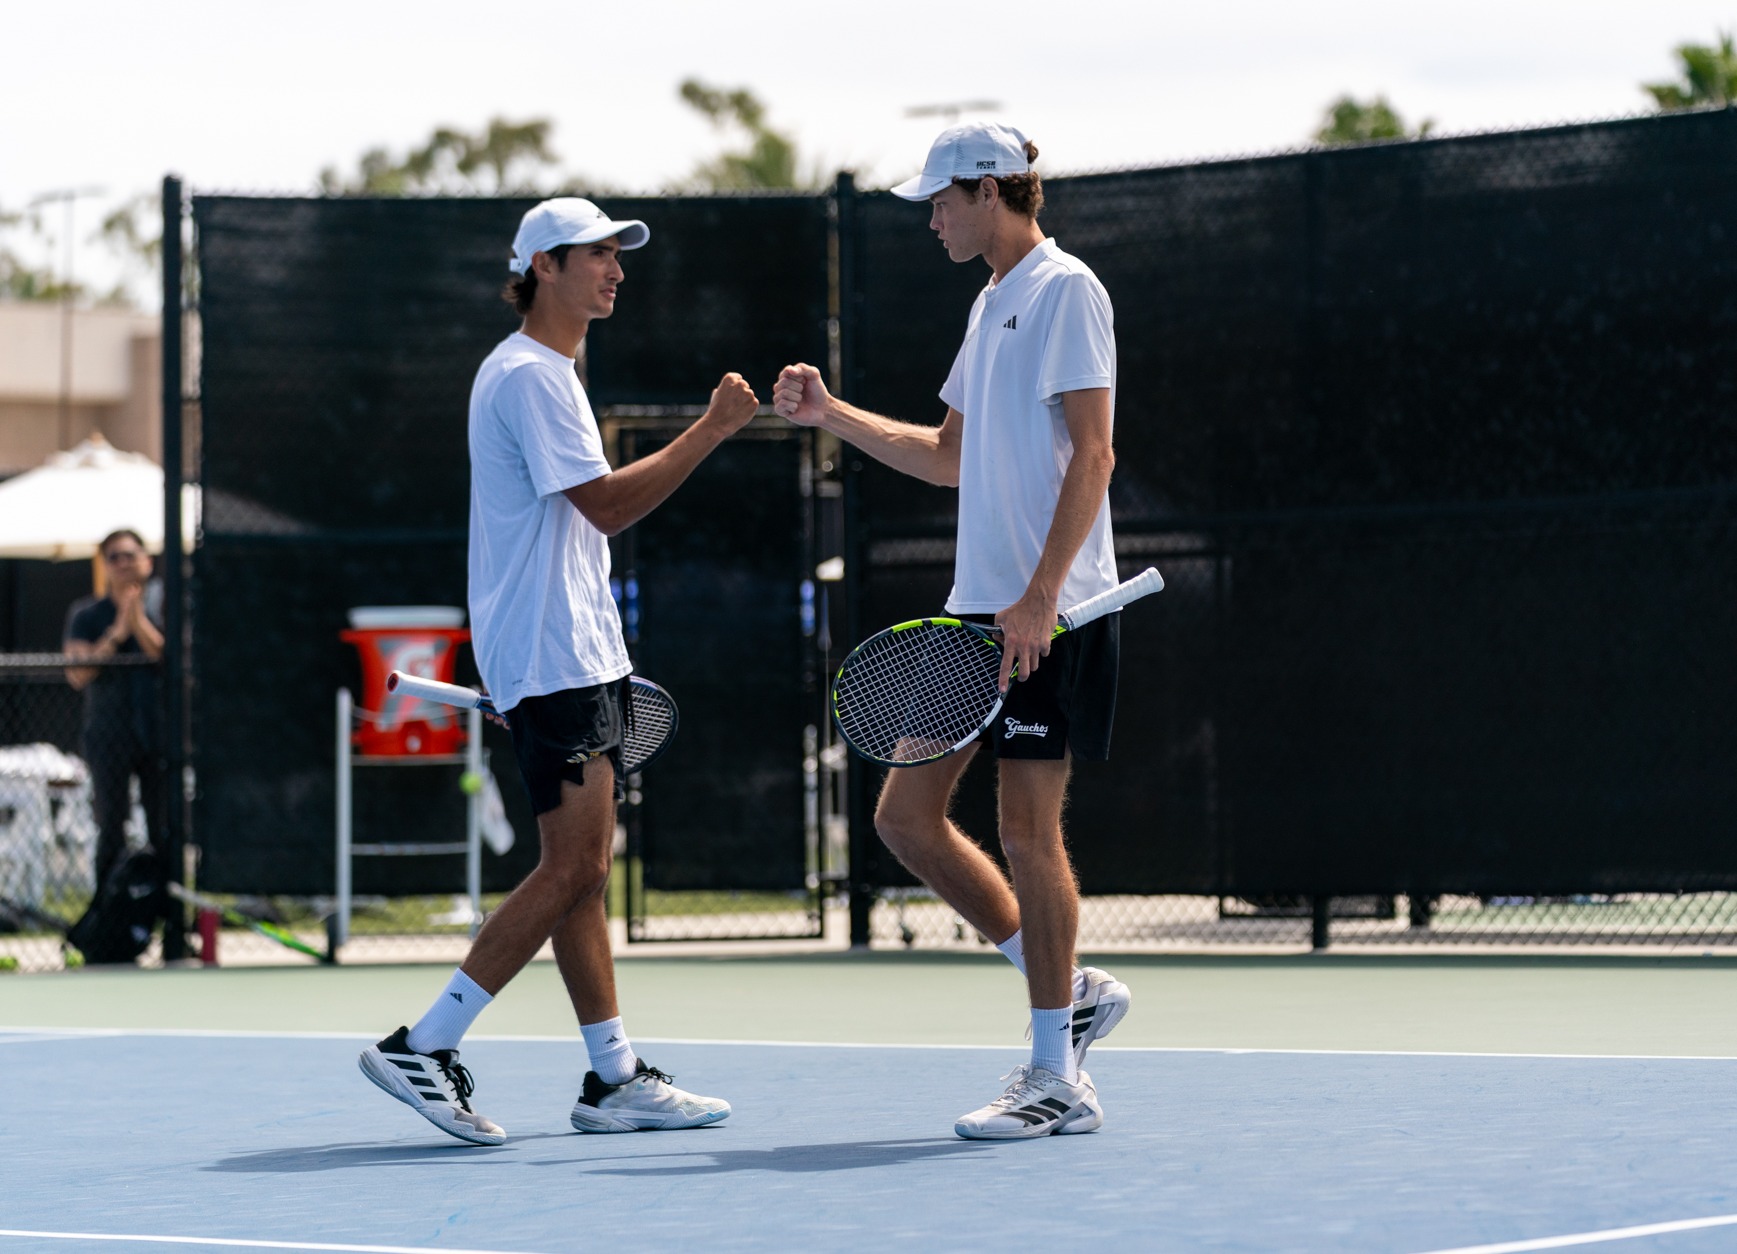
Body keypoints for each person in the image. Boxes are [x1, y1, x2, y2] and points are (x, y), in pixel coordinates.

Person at [360, 198, 759, 1145]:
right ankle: (425, 1042)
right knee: (572, 863)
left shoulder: (552, 374)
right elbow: (607, 508)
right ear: (543, 265)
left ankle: (614, 1078)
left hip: (570, 650)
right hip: (550, 654)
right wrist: (710, 429)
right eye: (597, 255)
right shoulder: (530, 376)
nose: (616, 268)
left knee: (584, 871)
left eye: (620, 254)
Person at [774, 123, 1131, 1140]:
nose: (931, 219)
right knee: (904, 819)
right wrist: (830, 412)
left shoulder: (1068, 291)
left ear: (989, 191)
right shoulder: (989, 306)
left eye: (942, 200)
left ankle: (1057, 1074)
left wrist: (1038, 596)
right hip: (982, 609)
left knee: (1026, 831)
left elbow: (1096, 455)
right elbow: (946, 456)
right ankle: (1070, 989)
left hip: (1049, 611)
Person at [63, 527, 165, 892]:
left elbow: (169, 658)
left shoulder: (166, 605)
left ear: (147, 562)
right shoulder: (86, 614)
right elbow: (77, 673)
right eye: (114, 557)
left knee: (163, 825)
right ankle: (108, 917)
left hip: (157, 732)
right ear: (104, 566)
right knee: (111, 825)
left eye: (130, 555)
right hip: (107, 734)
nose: (122, 563)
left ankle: (168, 913)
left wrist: (137, 619)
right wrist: (116, 634)